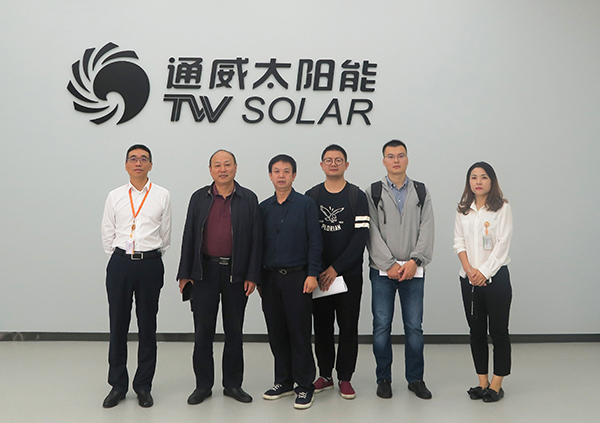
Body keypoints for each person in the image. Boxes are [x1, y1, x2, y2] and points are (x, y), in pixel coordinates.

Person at [177, 149, 262, 405]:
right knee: (203, 331)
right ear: (210, 170)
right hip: (204, 272)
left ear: (235, 167)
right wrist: (185, 273)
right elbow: (189, 235)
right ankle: (203, 385)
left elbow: (257, 240)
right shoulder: (199, 197)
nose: (222, 169)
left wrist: (252, 275)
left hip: (237, 273)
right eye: (217, 165)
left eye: (227, 164)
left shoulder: (249, 198)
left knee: (234, 330)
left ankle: (233, 385)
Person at [101, 144, 172, 408]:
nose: (138, 163)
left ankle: (143, 385)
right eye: (133, 159)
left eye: (143, 159)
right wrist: (122, 256)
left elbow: (165, 235)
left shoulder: (162, 195)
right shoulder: (115, 195)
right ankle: (117, 385)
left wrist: (147, 254)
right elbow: (108, 232)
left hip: (150, 264)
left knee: (147, 326)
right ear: (126, 165)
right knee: (118, 325)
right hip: (120, 264)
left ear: (151, 165)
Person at [365, 139, 434, 400]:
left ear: (407, 159)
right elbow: (370, 231)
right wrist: (390, 264)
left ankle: (415, 379)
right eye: (391, 156)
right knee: (381, 326)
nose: (396, 160)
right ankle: (383, 378)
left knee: (414, 327)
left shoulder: (421, 191)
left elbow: (427, 227)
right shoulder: (372, 191)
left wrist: (415, 261)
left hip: (414, 271)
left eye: (401, 155)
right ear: (384, 160)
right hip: (382, 272)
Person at [305, 145, 369, 399]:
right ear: (321, 165)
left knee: (348, 327)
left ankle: (345, 377)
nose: (333, 164)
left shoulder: (357, 196)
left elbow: (360, 237)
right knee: (321, 327)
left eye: (338, 160)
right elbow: (308, 236)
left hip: (348, 276)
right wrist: (319, 271)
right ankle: (325, 375)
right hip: (319, 276)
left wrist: (336, 268)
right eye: (328, 160)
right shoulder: (311, 196)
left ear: (346, 165)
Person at [260, 154, 322, 410]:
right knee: (276, 333)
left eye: (286, 171)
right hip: (269, 279)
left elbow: (315, 240)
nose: (281, 175)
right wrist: (258, 279)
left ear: (294, 175)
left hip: (299, 277)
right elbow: (257, 244)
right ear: (270, 176)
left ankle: (305, 385)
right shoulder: (263, 208)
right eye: (276, 171)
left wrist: (313, 273)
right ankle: (283, 381)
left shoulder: (306, 204)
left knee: (299, 332)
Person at [453, 161, 513, 403]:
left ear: (492, 181)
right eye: (474, 177)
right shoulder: (463, 209)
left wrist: (484, 272)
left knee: (498, 331)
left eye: (484, 177)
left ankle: (497, 384)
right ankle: (482, 382)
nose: (478, 181)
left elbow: (502, 244)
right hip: (469, 280)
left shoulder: (502, 207)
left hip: (496, 279)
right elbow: (458, 241)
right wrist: (470, 271)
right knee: (476, 331)